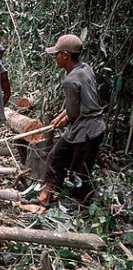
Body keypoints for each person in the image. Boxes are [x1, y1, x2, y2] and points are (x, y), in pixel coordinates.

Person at [21, 34, 105, 213]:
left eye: (57, 54)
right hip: (82, 126)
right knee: (55, 156)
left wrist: (64, 119)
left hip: (87, 130)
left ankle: (78, 207)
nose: (55, 57)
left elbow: (73, 112)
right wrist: (61, 115)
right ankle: (45, 196)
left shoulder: (70, 80)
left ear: (65, 55)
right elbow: (76, 104)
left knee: (79, 171)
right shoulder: (85, 68)